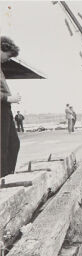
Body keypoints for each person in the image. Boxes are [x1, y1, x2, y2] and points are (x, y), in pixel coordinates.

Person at [1, 36, 21, 177]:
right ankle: (2, 179)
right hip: (1, 107)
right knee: (2, 147)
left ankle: (7, 176)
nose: (8, 59)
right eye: (8, 56)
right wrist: (8, 98)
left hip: (5, 108)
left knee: (13, 144)